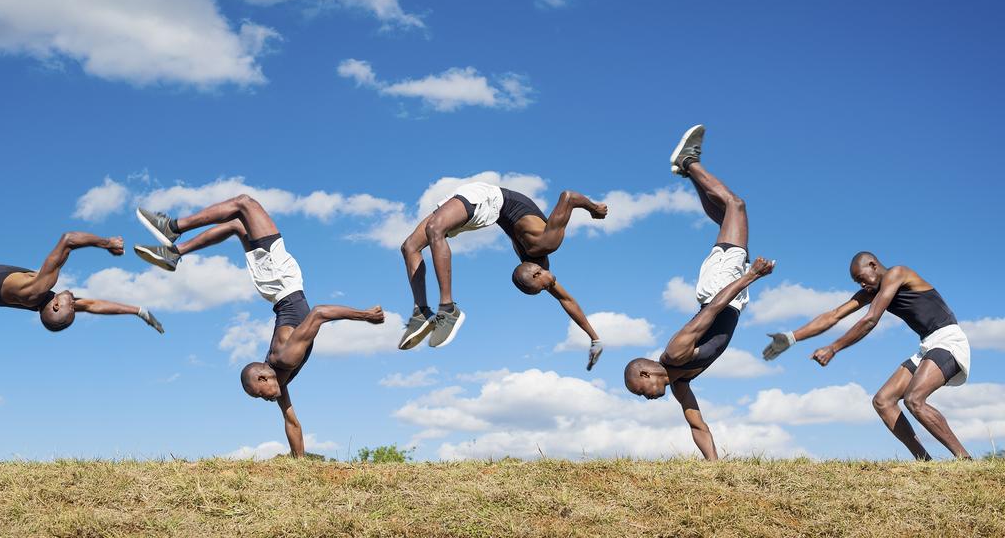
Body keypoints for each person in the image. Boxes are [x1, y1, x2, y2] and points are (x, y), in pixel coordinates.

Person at [132, 194, 384, 457]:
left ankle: (172, 229)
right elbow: (292, 422)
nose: (266, 399)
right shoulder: (281, 377)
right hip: (275, 284)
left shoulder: (286, 357)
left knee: (244, 204)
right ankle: (175, 253)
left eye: (260, 394)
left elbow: (320, 313)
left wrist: (365, 315)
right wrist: (299, 465)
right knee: (237, 224)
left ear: (263, 377)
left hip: (280, 281)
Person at [623, 125, 776, 459]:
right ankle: (685, 169)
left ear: (646, 372)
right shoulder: (679, 382)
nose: (645, 397)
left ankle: (689, 162)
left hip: (722, 289)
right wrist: (714, 469)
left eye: (641, 390)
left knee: (736, 205)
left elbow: (713, 309)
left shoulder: (675, 354)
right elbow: (697, 426)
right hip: (723, 289)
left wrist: (751, 276)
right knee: (725, 216)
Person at [762, 251, 972, 459]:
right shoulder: (873, 292)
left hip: (948, 339)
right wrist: (791, 337)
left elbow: (871, 319)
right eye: (857, 282)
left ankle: (964, 459)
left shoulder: (897, 273)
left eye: (861, 278)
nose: (861, 285)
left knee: (914, 399)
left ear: (873, 265)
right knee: (883, 401)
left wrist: (833, 347)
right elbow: (833, 316)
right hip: (927, 345)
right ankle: (925, 462)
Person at [398, 181, 608, 366]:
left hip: (486, 207)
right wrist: (594, 208)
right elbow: (568, 197)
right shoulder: (548, 243)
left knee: (427, 235)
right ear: (536, 274)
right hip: (490, 197)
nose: (549, 287)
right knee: (411, 246)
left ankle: (427, 311)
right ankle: (441, 309)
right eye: (544, 287)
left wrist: (594, 338)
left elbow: (566, 300)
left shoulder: (535, 262)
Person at [0, 231, 163, 333]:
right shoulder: (39, 300)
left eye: (71, 306)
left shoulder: (36, 291)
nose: (74, 302)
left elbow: (69, 240)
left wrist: (109, 243)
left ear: (55, 306)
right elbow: (93, 305)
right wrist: (139, 312)